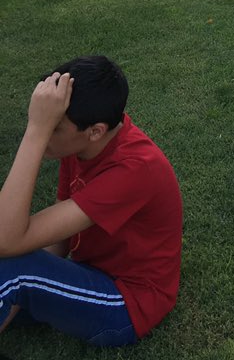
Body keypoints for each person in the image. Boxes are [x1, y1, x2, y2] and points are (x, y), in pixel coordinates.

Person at [0, 56, 182, 347]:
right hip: (87, 275)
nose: (45, 133)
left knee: (10, 272)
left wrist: (35, 132)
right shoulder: (85, 147)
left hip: (125, 304)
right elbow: (58, 240)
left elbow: (6, 239)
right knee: (11, 270)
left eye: (53, 127)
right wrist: (32, 279)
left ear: (95, 131)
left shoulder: (134, 169)